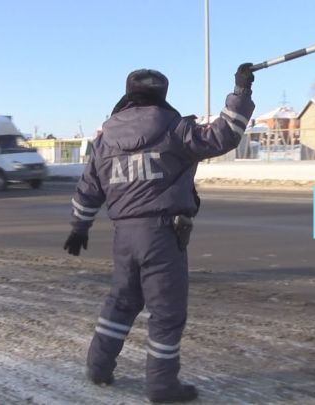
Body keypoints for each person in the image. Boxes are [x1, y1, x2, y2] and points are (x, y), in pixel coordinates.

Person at [63, 64, 255, 402]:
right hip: (163, 236)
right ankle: (162, 386)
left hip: (124, 236)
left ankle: (98, 367)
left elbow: (88, 188)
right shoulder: (174, 127)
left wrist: (80, 226)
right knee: (166, 313)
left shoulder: (105, 138)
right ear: (162, 94)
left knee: (121, 302)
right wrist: (240, 93)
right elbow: (223, 135)